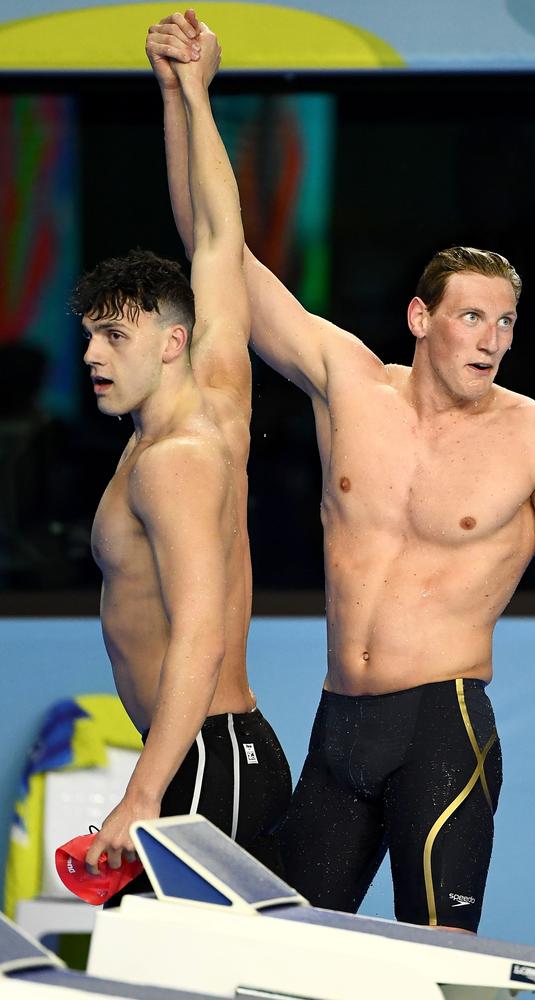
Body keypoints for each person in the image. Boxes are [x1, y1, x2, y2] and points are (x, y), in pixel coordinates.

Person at [146, 12, 535, 933]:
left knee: (434, 968)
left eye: (506, 322)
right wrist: (184, 96)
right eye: (473, 317)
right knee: (281, 954)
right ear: (419, 317)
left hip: (443, 733)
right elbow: (217, 253)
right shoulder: (347, 385)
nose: (492, 339)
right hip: (338, 728)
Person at [70, 26, 291, 894]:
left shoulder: (177, 461)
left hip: (205, 764)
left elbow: (197, 633)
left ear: (170, 342)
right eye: (88, 334)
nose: (91, 355)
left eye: (112, 336)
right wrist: (184, 95)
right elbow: (215, 235)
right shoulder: (218, 396)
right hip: (218, 755)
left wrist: (142, 792)